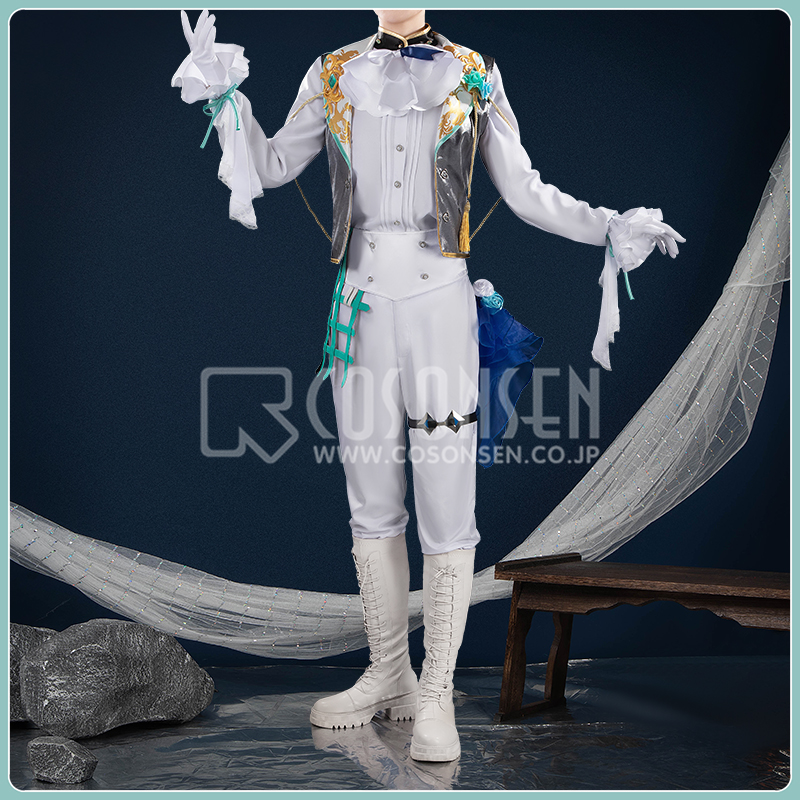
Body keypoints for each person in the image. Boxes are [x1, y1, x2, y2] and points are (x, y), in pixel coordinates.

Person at [172, 7, 684, 762]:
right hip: (357, 310)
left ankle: (436, 691)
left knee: (447, 507)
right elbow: (273, 165)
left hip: (441, 306)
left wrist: (608, 227)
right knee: (371, 503)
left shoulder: (474, 73)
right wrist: (227, 97)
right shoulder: (332, 71)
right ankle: (389, 673)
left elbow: (524, 189)